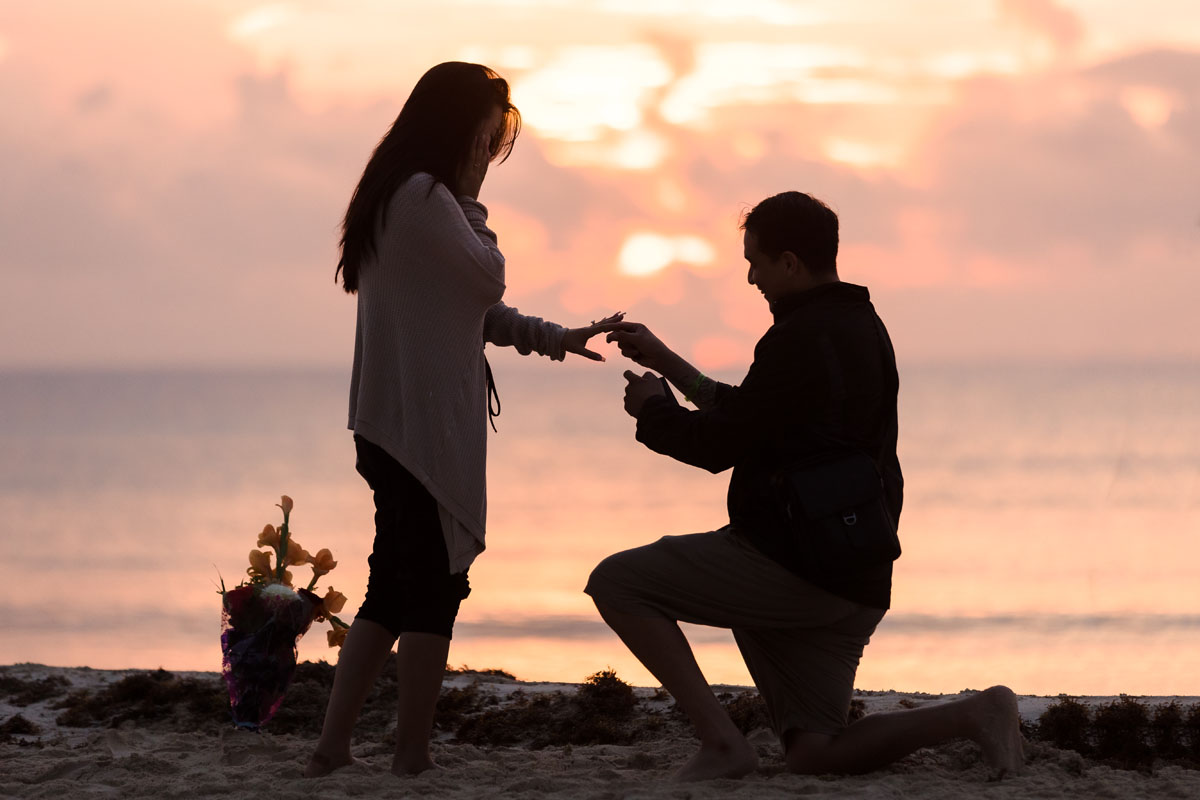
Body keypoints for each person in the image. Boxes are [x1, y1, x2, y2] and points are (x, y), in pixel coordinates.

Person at [587, 191, 1024, 781]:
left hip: (795, 569)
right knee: (816, 756)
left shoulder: (801, 339)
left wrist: (651, 412)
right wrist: (667, 363)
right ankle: (977, 712)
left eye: (756, 262)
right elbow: (753, 416)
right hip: (855, 577)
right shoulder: (861, 327)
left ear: (789, 263)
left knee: (617, 582)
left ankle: (721, 744)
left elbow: (717, 445)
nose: (750, 278)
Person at [305, 62, 622, 779]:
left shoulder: (399, 196)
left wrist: (555, 338)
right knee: (431, 586)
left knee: (394, 585)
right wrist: (470, 200)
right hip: (416, 434)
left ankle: (335, 748)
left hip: (394, 428)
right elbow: (487, 276)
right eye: (486, 140)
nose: (488, 156)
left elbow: (469, 310)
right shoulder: (424, 196)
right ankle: (409, 752)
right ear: (460, 131)